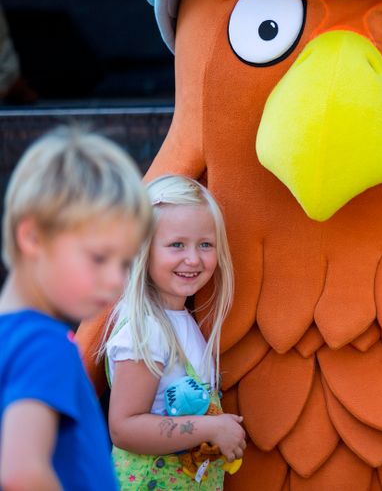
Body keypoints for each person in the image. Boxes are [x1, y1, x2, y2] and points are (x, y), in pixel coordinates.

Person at [0, 126, 152, 490]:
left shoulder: (13, 336)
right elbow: (21, 473)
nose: (116, 280)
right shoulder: (43, 345)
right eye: (99, 258)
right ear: (33, 237)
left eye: (125, 263)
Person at [101, 174, 245, 490]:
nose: (193, 259)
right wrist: (211, 428)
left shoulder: (181, 320)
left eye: (205, 244)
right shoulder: (147, 330)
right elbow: (124, 428)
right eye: (177, 244)